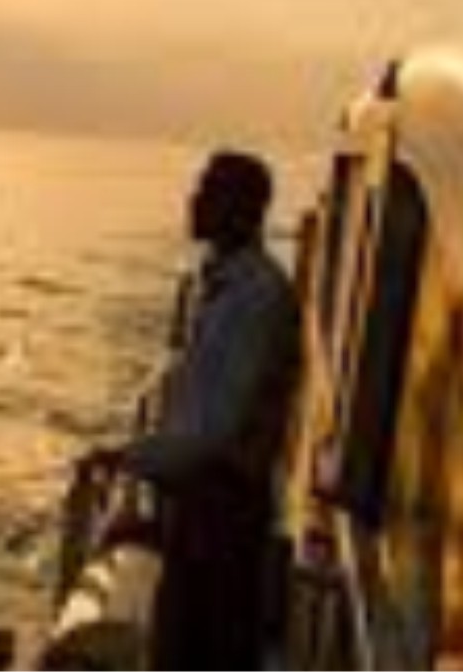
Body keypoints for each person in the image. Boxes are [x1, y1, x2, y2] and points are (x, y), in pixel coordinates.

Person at [90, 150, 302, 669]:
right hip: (204, 506)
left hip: (223, 514)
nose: (195, 200)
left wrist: (127, 458)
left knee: (204, 652)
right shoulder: (228, 287)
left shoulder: (256, 298)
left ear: (243, 208)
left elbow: (213, 429)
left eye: (209, 191)